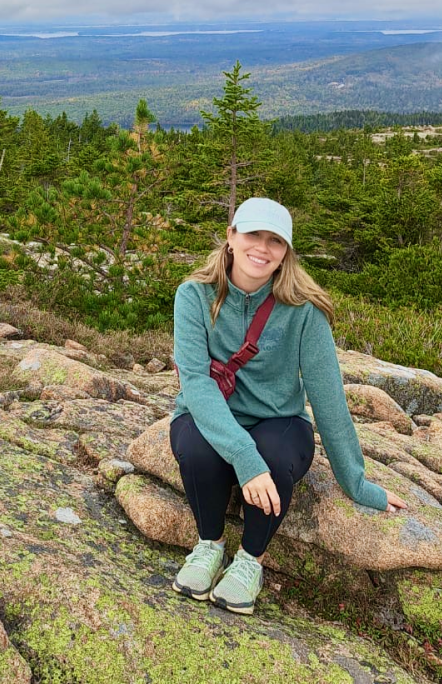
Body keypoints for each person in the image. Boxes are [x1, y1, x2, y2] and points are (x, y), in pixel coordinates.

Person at [169, 196, 407, 614]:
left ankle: (249, 561)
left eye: (274, 241)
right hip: (210, 410)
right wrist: (242, 456)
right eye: (253, 235)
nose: (262, 248)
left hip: (277, 421)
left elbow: (328, 397)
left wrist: (357, 484)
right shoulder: (193, 296)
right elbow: (196, 383)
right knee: (196, 447)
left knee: (276, 455)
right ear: (231, 237)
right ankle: (210, 545)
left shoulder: (304, 312)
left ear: (285, 254)